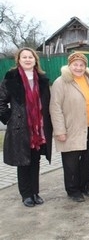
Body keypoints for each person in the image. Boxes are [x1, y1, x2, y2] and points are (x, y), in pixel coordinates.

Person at [0, 47, 53, 207]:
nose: (28, 59)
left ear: (35, 60)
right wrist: (10, 118)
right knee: (23, 162)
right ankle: (26, 195)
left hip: (38, 129)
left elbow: (46, 103)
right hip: (20, 128)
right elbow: (1, 101)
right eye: (24, 57)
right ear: (19, 60)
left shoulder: (42, 79)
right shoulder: (11, 78)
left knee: (35, 161)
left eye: (31, 57)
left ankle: (35, 192)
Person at [50, 52, 89, 202]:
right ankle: (73, 190)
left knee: (88, 160)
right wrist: (59, 131)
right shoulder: (61, 82)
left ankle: (85, 186)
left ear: (85, 66)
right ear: (69, 65)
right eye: (75, 64)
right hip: (71, 128)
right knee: (71, 162)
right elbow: (55, 107)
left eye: (81, 65)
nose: (78, 67)